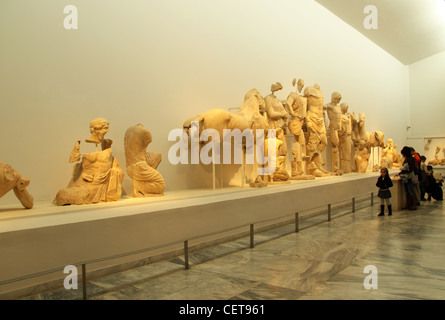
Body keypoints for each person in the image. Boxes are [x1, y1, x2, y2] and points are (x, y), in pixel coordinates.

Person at [395, 146, 417, 210]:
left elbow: (410, 168)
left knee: (411, 191)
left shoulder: (411, 159)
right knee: (408, 191)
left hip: (409, 177)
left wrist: (404, 169)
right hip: (407, 177)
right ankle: (409, 205)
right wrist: (400, 173)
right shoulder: (408, 158)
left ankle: (413, 205)